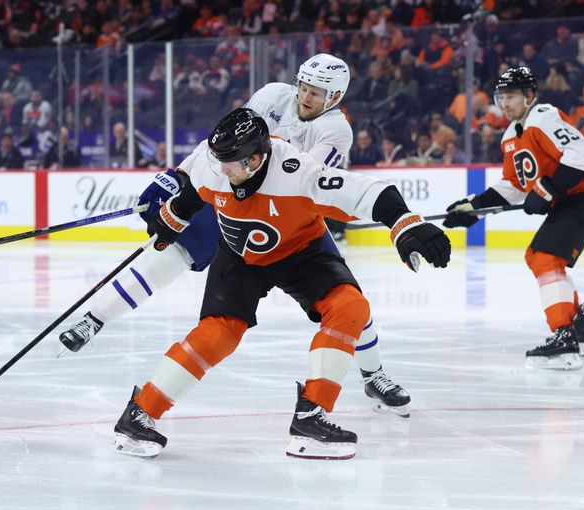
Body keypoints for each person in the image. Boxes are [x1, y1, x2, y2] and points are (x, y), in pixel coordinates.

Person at [60, 54, 418, 418]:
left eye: (318, 92)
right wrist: (180, 176)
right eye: (305, 87)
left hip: (285, 214)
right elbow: (226, 140)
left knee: (346, 297)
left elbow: (308, 179)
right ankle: (95, 318)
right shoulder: (273, 95)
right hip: (232, 191)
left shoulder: (336, 130)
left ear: (335, 97)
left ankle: (373, 374)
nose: (307, 96)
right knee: (168, 253)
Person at [111, 108, 451, 459]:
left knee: (350, 307)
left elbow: (369, 192)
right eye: (218, 158)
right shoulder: (214, 165)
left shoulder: (297, 173)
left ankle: (311, 416)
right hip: (240, 254)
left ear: (256, 159)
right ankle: (140, 412)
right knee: (216, 334)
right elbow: (192, 196)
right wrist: (169, 220)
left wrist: (406, 224)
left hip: (301, 252)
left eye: (230, 161)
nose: (221, 168)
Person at [443, 67, 584, 370]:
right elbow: (515, 186)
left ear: (529, 96)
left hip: (581, 197)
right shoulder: (510, 136)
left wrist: (547, 189)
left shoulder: (543, 116)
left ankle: (565, 337)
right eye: (502, 96)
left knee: (545, 258)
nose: (504, 103)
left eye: (511, 96)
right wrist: (474, 208)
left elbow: (581, 154)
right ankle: (578, 327)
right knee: (538, 256)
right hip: (570, 202)